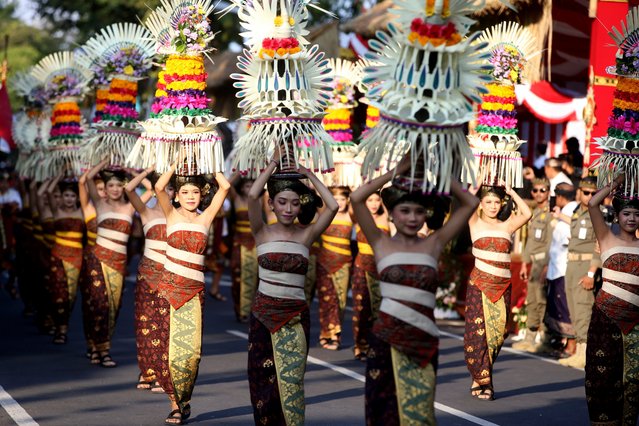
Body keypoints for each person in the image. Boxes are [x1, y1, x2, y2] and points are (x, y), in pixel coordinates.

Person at [350, 155, 478, 424]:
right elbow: (358, 198)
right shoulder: (380, 241)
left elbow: (470, 202)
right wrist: (395, 172)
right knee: (383, 413)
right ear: (392, 213)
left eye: (419, 212)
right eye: (404, 211)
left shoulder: (434, 243)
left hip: (423, 339)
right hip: (385, 339)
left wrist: (440, 167)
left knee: (420, 416)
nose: (412, 218)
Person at [246, 157, 337, 425]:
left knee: (293, 382)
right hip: (263, 316)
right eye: (282, 202)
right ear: (271, 204)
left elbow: (332, 206)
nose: (288, 208)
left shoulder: (306, 235)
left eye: (295, 202)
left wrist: (308, 173)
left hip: (295, 316)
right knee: (262, 380)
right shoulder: (261, 231)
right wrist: (274, 162)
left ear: (301, 206)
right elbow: (253, 194)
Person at [154, 160, 230, 425]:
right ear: (177, 194)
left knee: (191, 353)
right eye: (184, 192)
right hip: (168, 291)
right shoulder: (170, 214)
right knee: (170, 352)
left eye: (195, 192)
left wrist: (208, 159)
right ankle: (175, 404)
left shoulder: (206, 217)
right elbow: (159, 185)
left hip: (194, 292)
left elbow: (226, 185)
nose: (189, 197)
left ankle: (184, 400)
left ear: (203, 194)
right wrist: (177, 160)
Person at [465, 183, 532, 400]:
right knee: (479, 335)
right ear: (481, 205)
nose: (493, 206)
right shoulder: (474, 222)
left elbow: (527, 213)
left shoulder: (507, 226)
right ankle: (482, 380)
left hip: (502, 287)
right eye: (488, 202)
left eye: (496, 202)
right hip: (479, 286)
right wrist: (474, 188)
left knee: (499, 334)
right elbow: (465, 205)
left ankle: (482, 375)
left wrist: (512, 192)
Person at [585, 174, 639, 425]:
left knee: (633, 379)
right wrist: (617, 183)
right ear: (617, 216)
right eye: (627, 213)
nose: (631, 218)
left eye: (636, 214)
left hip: (635, 322)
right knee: (603, 376)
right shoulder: (606, 238)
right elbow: (592, 204)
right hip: (605, 319)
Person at [85, 159, 139, 367]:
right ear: (105, 189)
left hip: (119, 264)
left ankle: (99, 345)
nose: (115, 189)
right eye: (111, 186)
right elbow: (89, 177)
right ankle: (102, 350)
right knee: (98, 305)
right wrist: (105, 161)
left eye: (119, 185)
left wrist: (129, 170)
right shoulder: (99, 204)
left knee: (113, 308)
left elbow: (152, 189)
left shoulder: (130, 207)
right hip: (97, 261)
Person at [124, 167, 168, 392]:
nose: (166, 192)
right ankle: (147, 371)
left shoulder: (181, 215)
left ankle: (163, 374)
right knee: (145, 324)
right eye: (163, 187)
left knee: (165, 327)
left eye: (171, 188)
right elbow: (129, 188)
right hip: (147, 275)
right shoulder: (147, 212)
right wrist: (150, 170)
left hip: (170, 275)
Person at [559, 177, 601, 369]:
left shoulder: (597, 213)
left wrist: (591, 273)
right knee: (575, 309)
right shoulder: (578, 211)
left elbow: (599, 244)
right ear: (579, 192)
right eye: (586, 192)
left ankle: (585, 353)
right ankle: (578, 351)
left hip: (586, 266)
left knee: (584, 308)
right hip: (572, 264)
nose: (590, 196)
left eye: (594, 193)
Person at [44, 175, 84, 344]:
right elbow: (47, 191)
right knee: (58, 294)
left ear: (77, 198)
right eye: (66, 195)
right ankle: (60, 329)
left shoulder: (83, 213)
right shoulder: (57, 211)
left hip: (76, 259)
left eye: (72, 196)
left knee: (70, 295)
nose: (68, 199)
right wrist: (59, 173)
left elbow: (85, 192)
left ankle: (63, 326)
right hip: (57, 257)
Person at [515, 178, 552, 353]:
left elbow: (551, 242)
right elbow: (530, 242)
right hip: (533, 262)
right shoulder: (536, 212)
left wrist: (546, 265)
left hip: (543, 261)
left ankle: (544, 338)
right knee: (532, 300)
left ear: (548, 192)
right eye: (535, 190)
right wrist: (524, 263)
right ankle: (530, 336)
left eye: (542, 190)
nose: (538, 193)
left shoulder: (550, 213)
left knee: (541, 300)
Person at [351, 191, 389, 361]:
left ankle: (376, 345)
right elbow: (354, 196)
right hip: (361, 267)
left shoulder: (387, 217)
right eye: (370, 200)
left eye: (377, 200)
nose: (374, 203)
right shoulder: (359, 216)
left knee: (380, 309)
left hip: (381, 268)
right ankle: (360, 345)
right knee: (361, 308)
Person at [316, 186, 353, 350]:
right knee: (326, 299)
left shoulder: (351, 215)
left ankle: (336, 335)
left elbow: (358, 199)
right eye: (336, 199)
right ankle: (326, 333)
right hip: (323, 262)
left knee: (340, 299)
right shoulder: (324, 214)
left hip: (344, 263)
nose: (339, 203)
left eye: (343, 199)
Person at [545, 183, 578, 358]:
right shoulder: (564, 211)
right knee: (557, 306)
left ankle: (571, 345)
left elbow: (573, 234)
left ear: (560, 196)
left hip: (564, 267)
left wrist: (560, 217)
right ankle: (562, 342)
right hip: (556, 266)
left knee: (565, 307)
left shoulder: (572, 210)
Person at [78, 171, 106, 361]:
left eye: (106, 188)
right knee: (93, 304)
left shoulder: (120, 207)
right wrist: (99, 161)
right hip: (91, 261)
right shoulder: (89, 209)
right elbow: (82, 182)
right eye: (100, 189)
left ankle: (104, 346)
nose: (103, 193)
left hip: (113, 262)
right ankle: (94, 346)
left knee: (109, 307)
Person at [229, 176, 258, 322]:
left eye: (253, 186)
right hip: (239, 243)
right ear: (241, 188)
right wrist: (240, 170)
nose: (250, 189)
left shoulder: (259, 201)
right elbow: (227, 185)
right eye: (247, 186)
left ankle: (252, 310)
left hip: (256, 243)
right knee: (238, 277)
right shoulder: (237, 199)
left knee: (256, 278)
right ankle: (241, 310)